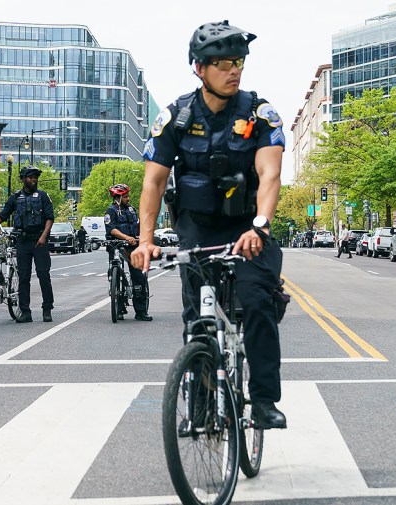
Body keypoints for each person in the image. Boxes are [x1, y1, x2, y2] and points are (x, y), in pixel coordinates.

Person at [131, 20, 287, 429]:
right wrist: (145, 241)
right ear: (199, 68)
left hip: (248, 231)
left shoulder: (259, 114)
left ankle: (266, 401)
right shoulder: (176, 118)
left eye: (238, 62)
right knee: (198, 320)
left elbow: (270, 176)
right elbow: (154, 180)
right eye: (222, 63)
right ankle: (199, 402)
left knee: (256, 303)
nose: (233, 70)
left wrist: (261, 226)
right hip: (197, 230)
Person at [0, 166, 55, 323]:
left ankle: (47, 309)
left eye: (35, 177)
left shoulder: (43, 196)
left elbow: (50, 218)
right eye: (31, 177)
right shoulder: (15, 198)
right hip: (23, 241)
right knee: (24, 277)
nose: (34, 179)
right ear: (23, 179)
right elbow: (2, 216)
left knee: (43, 275)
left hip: (40, 241)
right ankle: (25, 312)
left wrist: (44, 236)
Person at [104, 184, 152, 321]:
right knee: (115, 274)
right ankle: (119, 308)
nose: (128, 199)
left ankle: (141, 312)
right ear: (117, 198)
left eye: (127, 196)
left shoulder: (132, 210)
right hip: (117, 245)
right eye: (125, 197)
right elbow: (111, 229)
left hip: (133, 246)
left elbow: (138, 226)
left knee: (139, 277)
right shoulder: (111, 211)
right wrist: (126, 238)